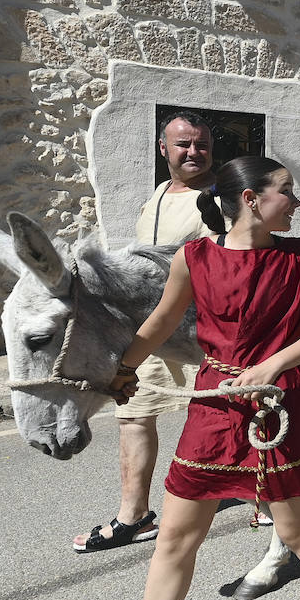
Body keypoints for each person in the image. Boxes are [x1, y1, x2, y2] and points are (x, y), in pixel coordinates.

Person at [62, 157, 300, 600]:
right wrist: (123, 367)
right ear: (251, 198)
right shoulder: (194, 257)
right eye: (286, 192)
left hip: (279, 407)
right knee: (177, 536)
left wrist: (273, 365)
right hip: (215, 405)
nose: (296, 203)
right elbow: (160, 321)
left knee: (299, 530)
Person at [73, 111, 215, 554]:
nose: (193, 152)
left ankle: (268, 500)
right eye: (183, 144)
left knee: (232, 418)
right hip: (151, 333)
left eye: (201, 144)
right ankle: (133, 516)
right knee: (132, 416)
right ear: (163, 150)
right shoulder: (158, 193)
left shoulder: (217, 199)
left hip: (198, 334)